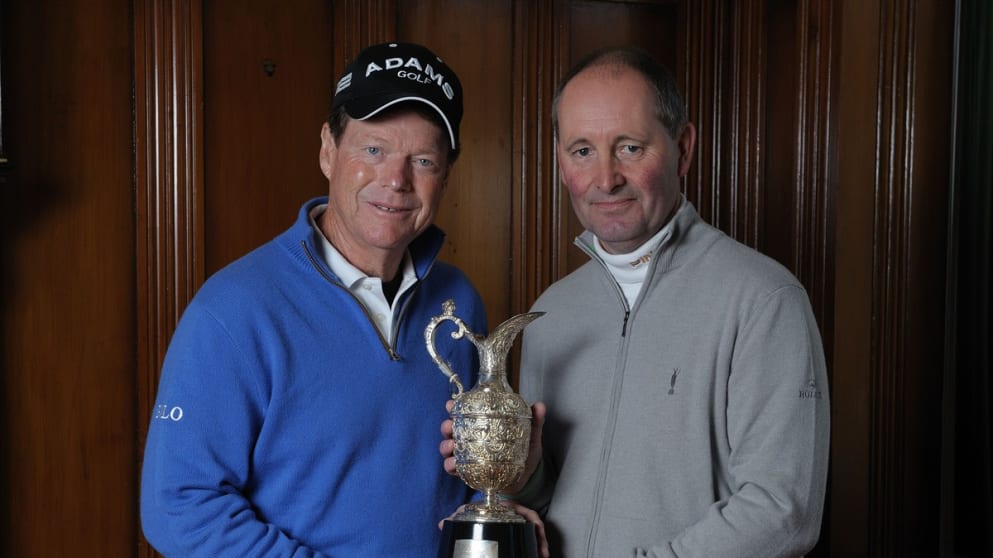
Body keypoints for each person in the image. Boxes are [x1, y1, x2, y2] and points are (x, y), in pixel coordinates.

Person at [444, 47, 830, 557]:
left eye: (629, 147)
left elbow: (783, 512)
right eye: (582, 151)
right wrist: (527, 472)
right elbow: (556, 502)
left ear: (683, 149)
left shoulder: (765, 300)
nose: (606, 179)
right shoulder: (549, 314)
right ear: (561, 163)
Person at [141, 42, 490, 557]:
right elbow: (179, 508)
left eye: (422, 159)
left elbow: (479, 479)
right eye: (372, 150)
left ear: (447, 173)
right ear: (328, 149)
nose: (395, 180)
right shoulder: (234, 311)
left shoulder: (459, 304)